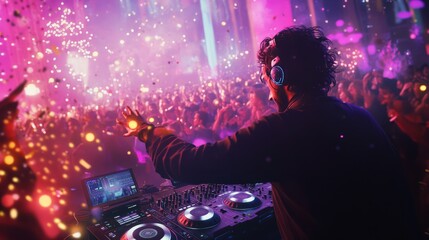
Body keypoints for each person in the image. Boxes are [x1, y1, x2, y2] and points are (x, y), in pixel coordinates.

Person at [119, 26, 421, 239]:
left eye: (267, 79)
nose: (268, 90)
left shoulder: (285, 130)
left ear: (279, 75)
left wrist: (151, 133)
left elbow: (190, 163)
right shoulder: (361, 117)